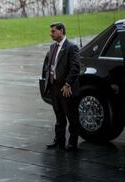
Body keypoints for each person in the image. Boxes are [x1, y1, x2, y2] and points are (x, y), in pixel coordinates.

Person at [43, 22, 80, 151]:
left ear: (61, 31)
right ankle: (59, 141)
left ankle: (72, 143)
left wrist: (68, 84)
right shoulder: (53, 47)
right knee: (59, 117)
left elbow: (75, 68)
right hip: (54, 87)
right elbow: (49, 66)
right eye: (51, 31)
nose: (51, 33)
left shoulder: (72, 47)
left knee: (72, 117)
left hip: (65, 88)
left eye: (53, 31)